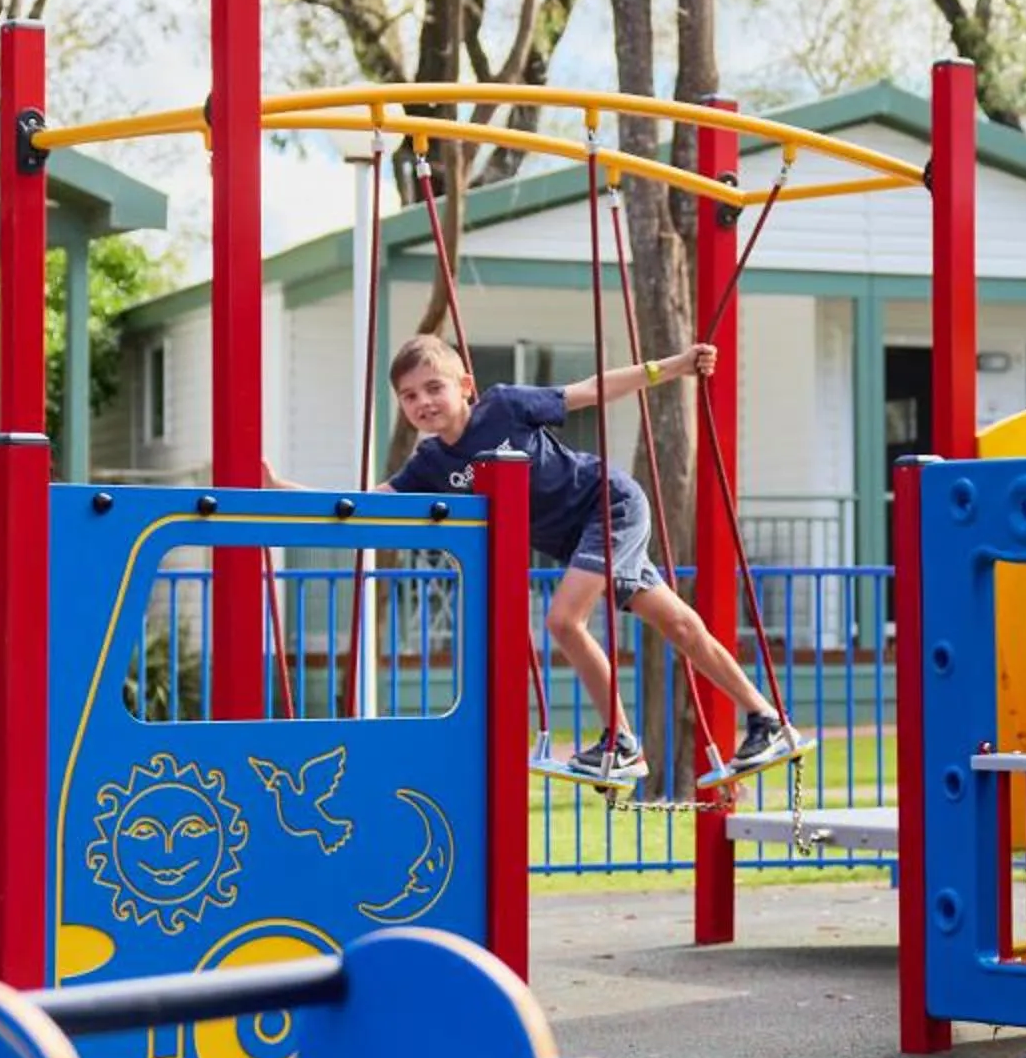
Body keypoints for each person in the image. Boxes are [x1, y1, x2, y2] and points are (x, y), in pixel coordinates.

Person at [288, 331, 803, 785]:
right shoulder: (430, 462)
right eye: (409, 396)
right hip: (581, 538)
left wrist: (674, 366)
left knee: (563, 620)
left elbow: (592, 389)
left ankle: (620, 742)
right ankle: (766, 719)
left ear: (466, 386)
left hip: (609, 504)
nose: (423, 402)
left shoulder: (505, 407)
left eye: (434, 387)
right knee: (681, 627)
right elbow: (366, 505)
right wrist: (285, 494)